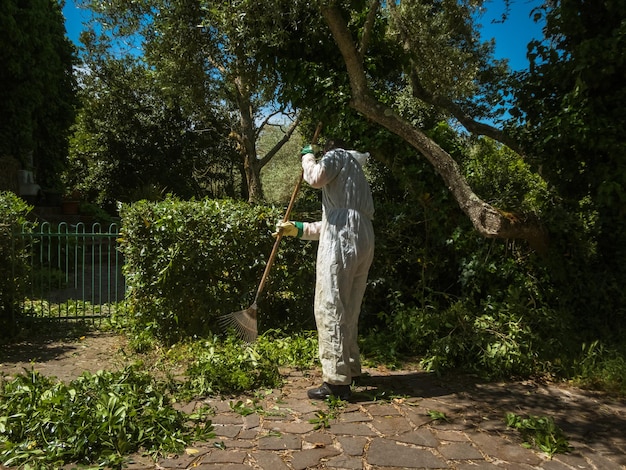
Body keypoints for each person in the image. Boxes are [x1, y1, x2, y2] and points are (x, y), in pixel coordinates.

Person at [276, 139, 375, 400]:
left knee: (330, 305)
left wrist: (307, 157)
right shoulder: (355, 178)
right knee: (350, 306)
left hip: (345, 238)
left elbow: (316, 177)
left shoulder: (337, 155)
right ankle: (351, 369)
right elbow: (335, 224)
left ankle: (336, 382)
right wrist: (298, 229)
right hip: (363, 237)